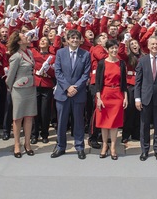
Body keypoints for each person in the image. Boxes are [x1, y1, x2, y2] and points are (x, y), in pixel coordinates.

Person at [51, 29, 91, 159]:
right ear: (67, 40)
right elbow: (58, 72)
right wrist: (67, 87)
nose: (74, 40)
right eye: (72, 38)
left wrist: (76, 88)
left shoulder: (85, 54)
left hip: (78, 94)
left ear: (80, 40)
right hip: (63, 93)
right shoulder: (60, 53)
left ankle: (79, 147)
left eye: (77, 38)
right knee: (61, 121)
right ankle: (60, 146)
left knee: (78, 121)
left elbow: (86, 74)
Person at [5, 31, 37, 158]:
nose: (26, 36)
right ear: (18, 41)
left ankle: (27, 144)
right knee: (17, 118)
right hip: (19, 90)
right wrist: (11, 89)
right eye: (23, 36)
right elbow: (10, 76)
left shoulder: (29, 52)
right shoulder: (16, 56)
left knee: (29, 117)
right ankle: (17, 144)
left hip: (30, 88)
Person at [94, 39, 128, 160]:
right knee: (104, 122)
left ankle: (113, 146)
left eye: (116, 48)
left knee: (114, 123)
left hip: (117, 94)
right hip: (105, 94)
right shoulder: (102, 63)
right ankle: (104, 145)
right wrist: (98, 98)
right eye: (111, 48)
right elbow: (98, 82)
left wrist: (125, 97)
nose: (114, 50)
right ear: (107, 50)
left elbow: (124, 82)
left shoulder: (122, 63)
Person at [31, 35, 55, 145]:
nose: (42, 41)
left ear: (49, 44)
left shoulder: (53, 56)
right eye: (41, 40)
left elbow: (55, 73)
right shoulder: (34, 53)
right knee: (34, 111)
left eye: (45, 40)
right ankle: (34, 134)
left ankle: (45, 134)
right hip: (35, 83)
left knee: (45, 111)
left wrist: (48, 69)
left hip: (47, 84)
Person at [121, 39, 141, 143]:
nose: (134, 45)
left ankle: (136, 134)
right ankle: (126, 134)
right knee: (129, 111)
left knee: (139, 111)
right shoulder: (128, 57)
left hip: (141, 85)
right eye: (132, 44)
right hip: (131, 86)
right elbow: (120, 52)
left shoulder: (143, 56)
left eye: (135, 43)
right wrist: (124, 41)